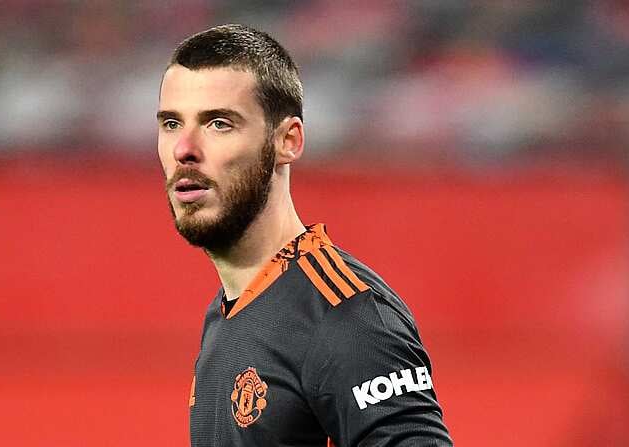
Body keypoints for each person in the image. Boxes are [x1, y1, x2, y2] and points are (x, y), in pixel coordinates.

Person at [156, 24, 452, 447]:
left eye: (219, 123)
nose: (184, 148)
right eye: (171, 123)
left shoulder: (346, 315)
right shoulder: (226, 313)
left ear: (287, 141)